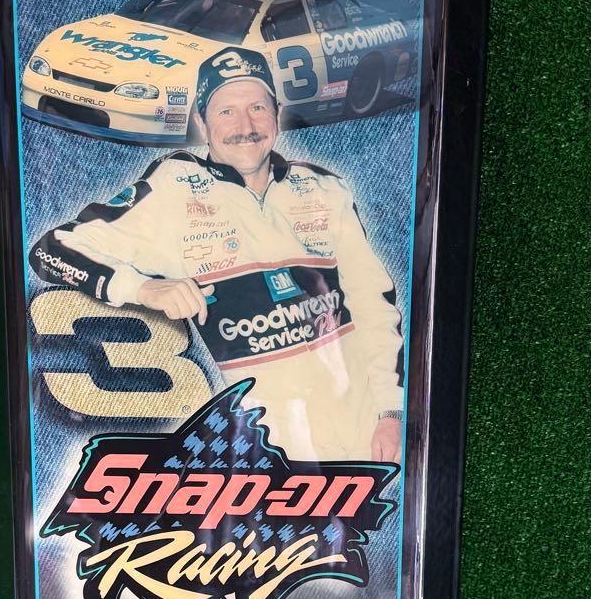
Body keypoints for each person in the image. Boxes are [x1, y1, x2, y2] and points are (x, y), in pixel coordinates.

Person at [29, 46, 405, 463]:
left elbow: (374, 306)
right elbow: (52, 250)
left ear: (277, 115)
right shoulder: (174, 187)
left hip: (364, 438)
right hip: (260, 453)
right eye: (226, 111)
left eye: (257, 108)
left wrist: (391, 412)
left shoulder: (324, 188)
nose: (245, 126)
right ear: (201, 123)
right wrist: (143, 288)